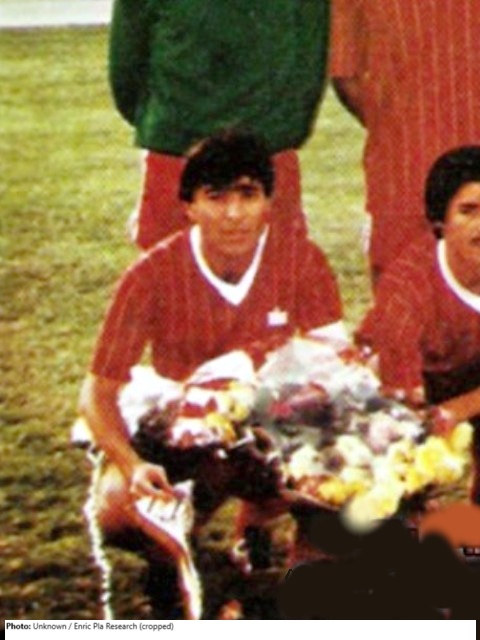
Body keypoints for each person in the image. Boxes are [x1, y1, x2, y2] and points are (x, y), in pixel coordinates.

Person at [79, 130, 345, 616]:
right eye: (216, 197)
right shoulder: (152, 273)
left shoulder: (300, 259)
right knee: (116, 509)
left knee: (353, 489)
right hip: (183, 438)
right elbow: (97, 394)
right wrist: (133, 465)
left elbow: (338, 366)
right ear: (189, 207)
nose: (233, 213)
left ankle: (287, 578)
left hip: (268, 432)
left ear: (268, 202)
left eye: (247, 194)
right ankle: (188, 569)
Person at [108, 0, 330, 249]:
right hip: (219, 150)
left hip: (192, 146)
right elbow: (311, 64)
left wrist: (163, 123)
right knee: (174, 267)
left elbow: (126, 66)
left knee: (271, 262)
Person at [356, 146, 480, 503]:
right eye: (468, 211)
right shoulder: (406, 288)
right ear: (440, 221)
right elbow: (403, 408)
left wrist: (460, 409)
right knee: (396, 473)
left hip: (467, 384)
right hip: (398, 388)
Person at [330, 0, 480, 283]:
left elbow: (345, 75)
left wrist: (393, 124)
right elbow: (343, 71)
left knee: (401, 297)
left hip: (403, 171)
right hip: (404, 181)